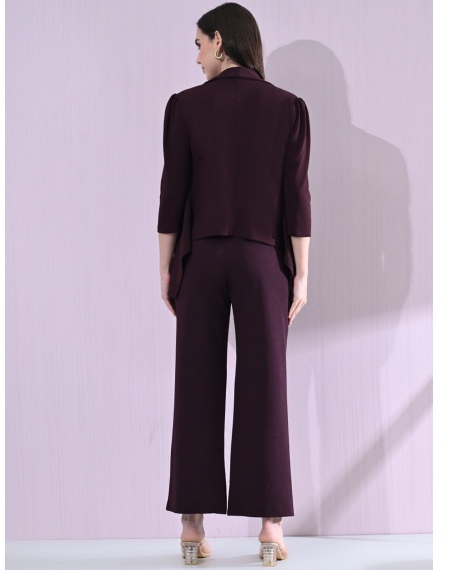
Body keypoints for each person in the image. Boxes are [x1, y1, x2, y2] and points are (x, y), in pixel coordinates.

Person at [157, 3, 311, 566]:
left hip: (202, 260)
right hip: (264, 260)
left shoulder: (185, 107)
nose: (196, 57)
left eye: (199, 44)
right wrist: (301, 274)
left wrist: (166, 268)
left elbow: (172, 194)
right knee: (266, 383)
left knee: (195, 383)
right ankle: (269, 528)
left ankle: (192, 526)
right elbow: (297, 198)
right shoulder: (288, 108)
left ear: (220, 41)